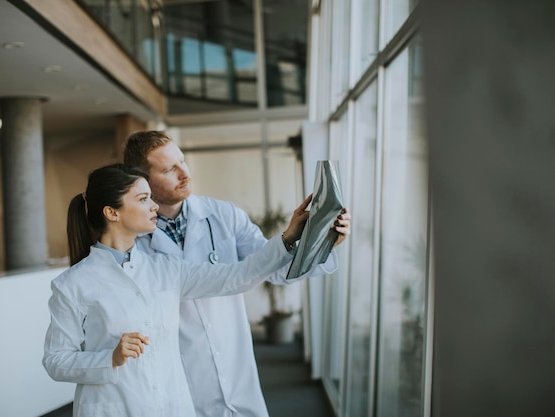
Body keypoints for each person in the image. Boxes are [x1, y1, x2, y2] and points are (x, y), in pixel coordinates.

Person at [43, 164, 349, 417]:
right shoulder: (73, 284)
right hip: (113, 409)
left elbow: (238, 275)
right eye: (142, 199)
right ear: (112, 212)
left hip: (173, 406)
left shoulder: (165, 269)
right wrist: (109, 358)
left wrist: (287, 238)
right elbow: (55, 360)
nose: (153, 207)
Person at [123, 130, 351, 417]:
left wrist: (322, 243)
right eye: (170, 169)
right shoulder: (132, 240)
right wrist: (284, 241)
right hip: (178, 373)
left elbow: (274, 270)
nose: (185, 173)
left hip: (234, 360)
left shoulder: (224, 215)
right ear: (142, 180)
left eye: (183, 161)